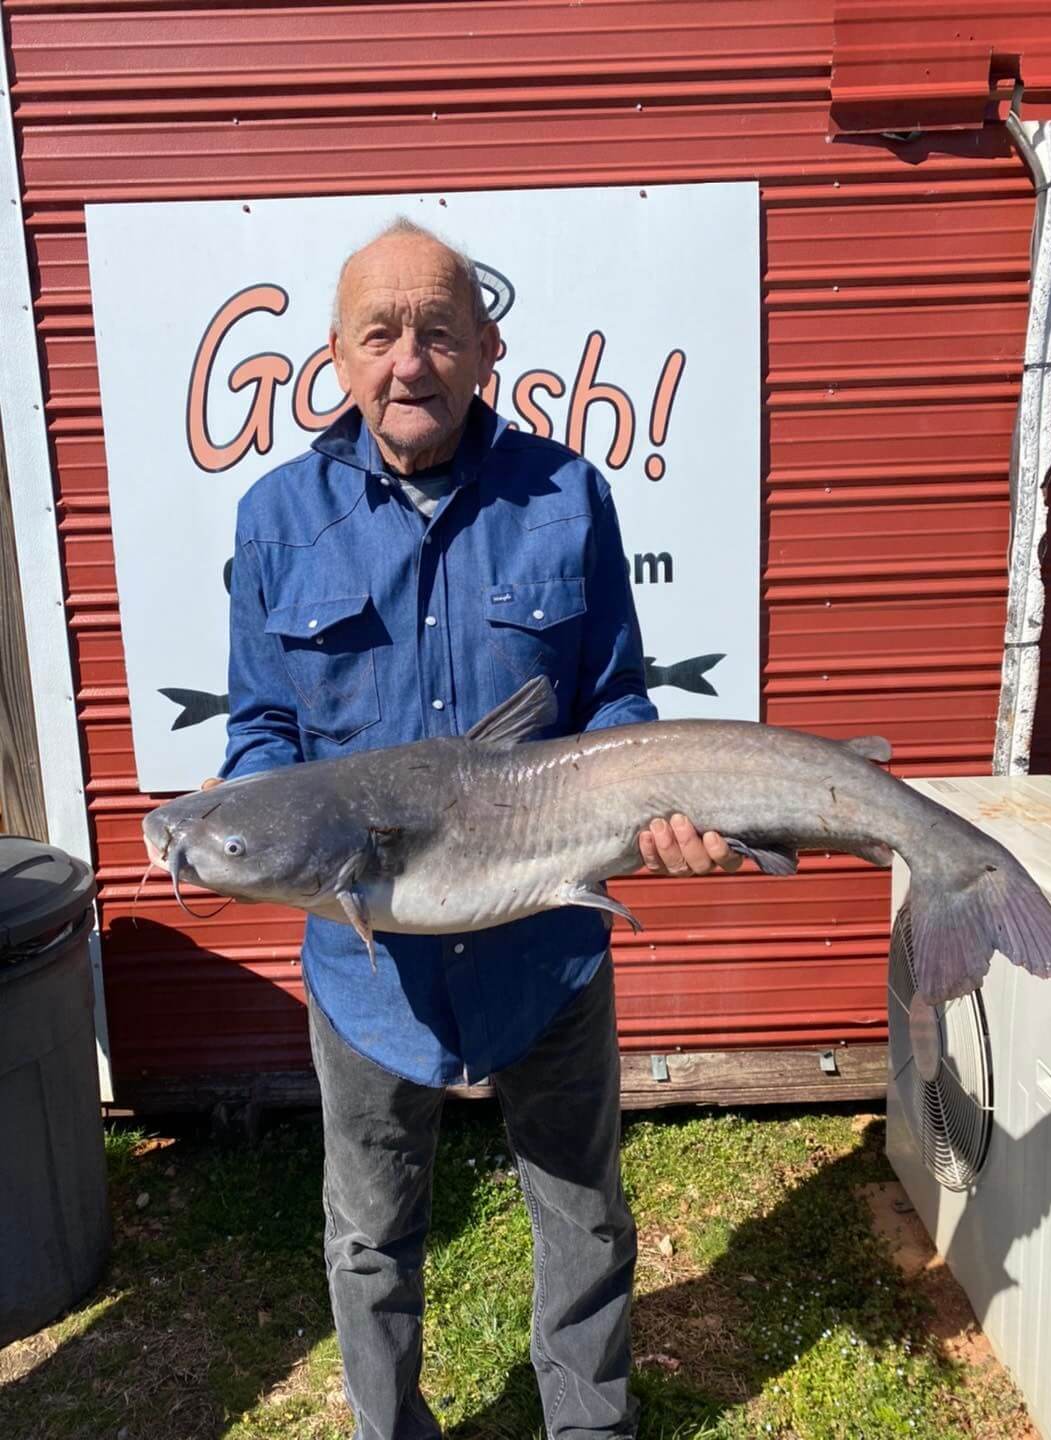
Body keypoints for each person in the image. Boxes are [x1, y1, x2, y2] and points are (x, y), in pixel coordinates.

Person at [207, 219, 740, 1440]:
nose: (410, 363)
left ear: (487, 350)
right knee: (368, 1236)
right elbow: (263, 730)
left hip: (545, 944)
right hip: (367, 965)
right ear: (336, 358)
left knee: (584, 1214)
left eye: (439, 333)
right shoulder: (277, 518)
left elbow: (613, 700)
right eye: (380, 335)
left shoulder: (565, 495)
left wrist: (660, 809)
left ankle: (588, 1427)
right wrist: (253, 823)